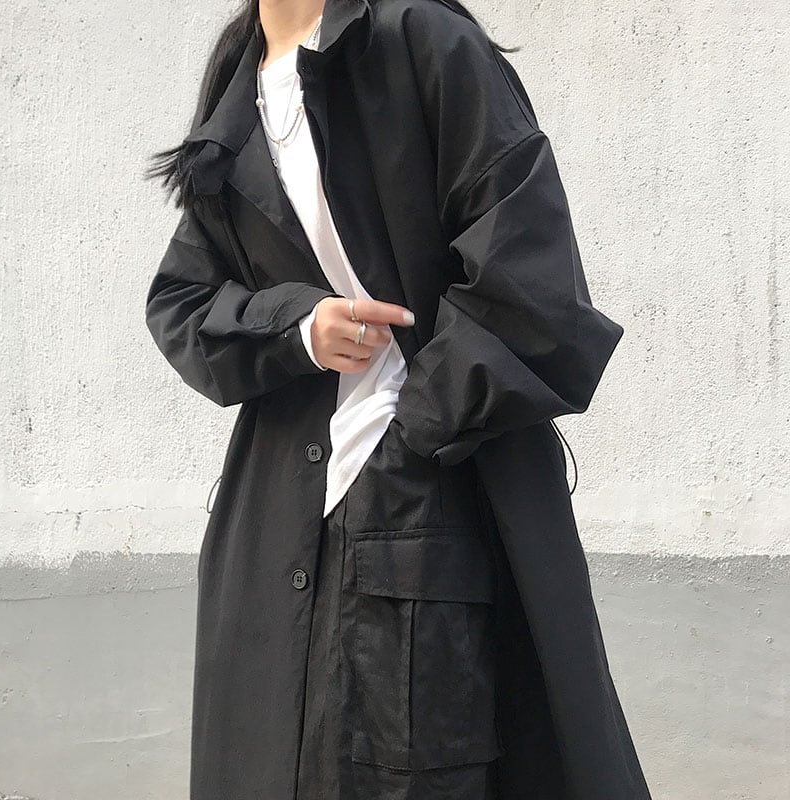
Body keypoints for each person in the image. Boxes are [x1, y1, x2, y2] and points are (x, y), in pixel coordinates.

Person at [144, 1, 653, 798]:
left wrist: (406, 431)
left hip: (422, 511)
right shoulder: (239, 101)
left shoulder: (421, 42)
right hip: (275, 529)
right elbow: (182, 302)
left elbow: (535, 288)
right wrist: (298, 328)